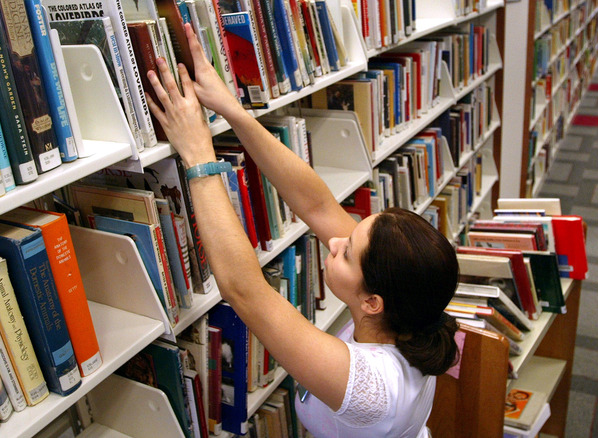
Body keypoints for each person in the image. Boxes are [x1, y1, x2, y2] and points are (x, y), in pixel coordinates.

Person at [145, 23, 461, 438]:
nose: (334, 239)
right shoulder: (405, 311)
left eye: (346, 252)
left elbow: (245, 290)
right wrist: (234, 112)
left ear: (372, 302)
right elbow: (317, 204)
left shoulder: (372, 389)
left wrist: (198, 155)